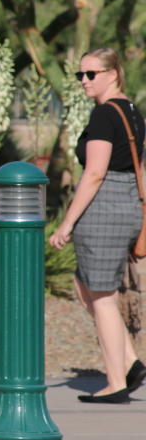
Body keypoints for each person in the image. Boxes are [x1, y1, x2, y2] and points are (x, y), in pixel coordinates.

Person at [50, 48, 146, 404]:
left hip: (103, 206)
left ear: (114, 73)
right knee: (85, 285)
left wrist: (66, 223)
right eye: (80, 75)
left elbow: (94, 173)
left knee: (103, 297)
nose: (84, 82)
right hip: (129, 205)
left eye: (92, 74)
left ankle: (116, 382)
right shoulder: (132, 111)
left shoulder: (106, 115)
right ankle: (131, 363)